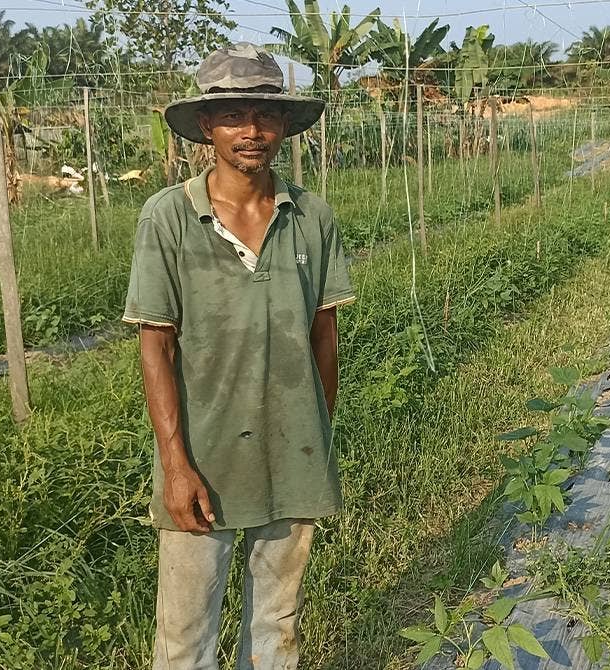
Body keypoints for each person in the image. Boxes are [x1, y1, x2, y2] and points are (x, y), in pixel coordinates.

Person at [122, 42, 355, 669]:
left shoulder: (311, 217)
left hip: (292, 451)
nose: (252, 131)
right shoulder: (169, 217)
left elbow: (324, 336)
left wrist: (316, 433)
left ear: (284, 125)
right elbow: (155, 345)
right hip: (204, 454)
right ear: (207, 126)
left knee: (278, 622)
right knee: (185, 635)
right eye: (233, 115)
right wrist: (175, 464)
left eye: (265, 115)